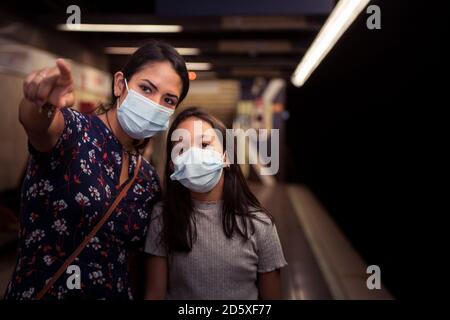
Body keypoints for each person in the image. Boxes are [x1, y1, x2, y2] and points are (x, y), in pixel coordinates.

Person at [4, 41, 189, 300]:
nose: (155, 103)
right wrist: (41, 103)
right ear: (119, 85)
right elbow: (37, 123)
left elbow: (137, 265)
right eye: (146, 88)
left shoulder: (147, 179)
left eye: (168, 100)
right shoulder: (74, 132)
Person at [144, 107, 287, 300]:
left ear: (226, 156)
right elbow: (154, 295)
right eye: (181, 149)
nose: (194, 156)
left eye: (204, 144)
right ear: (172, 166)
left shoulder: (260, 225)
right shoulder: (162, 217)